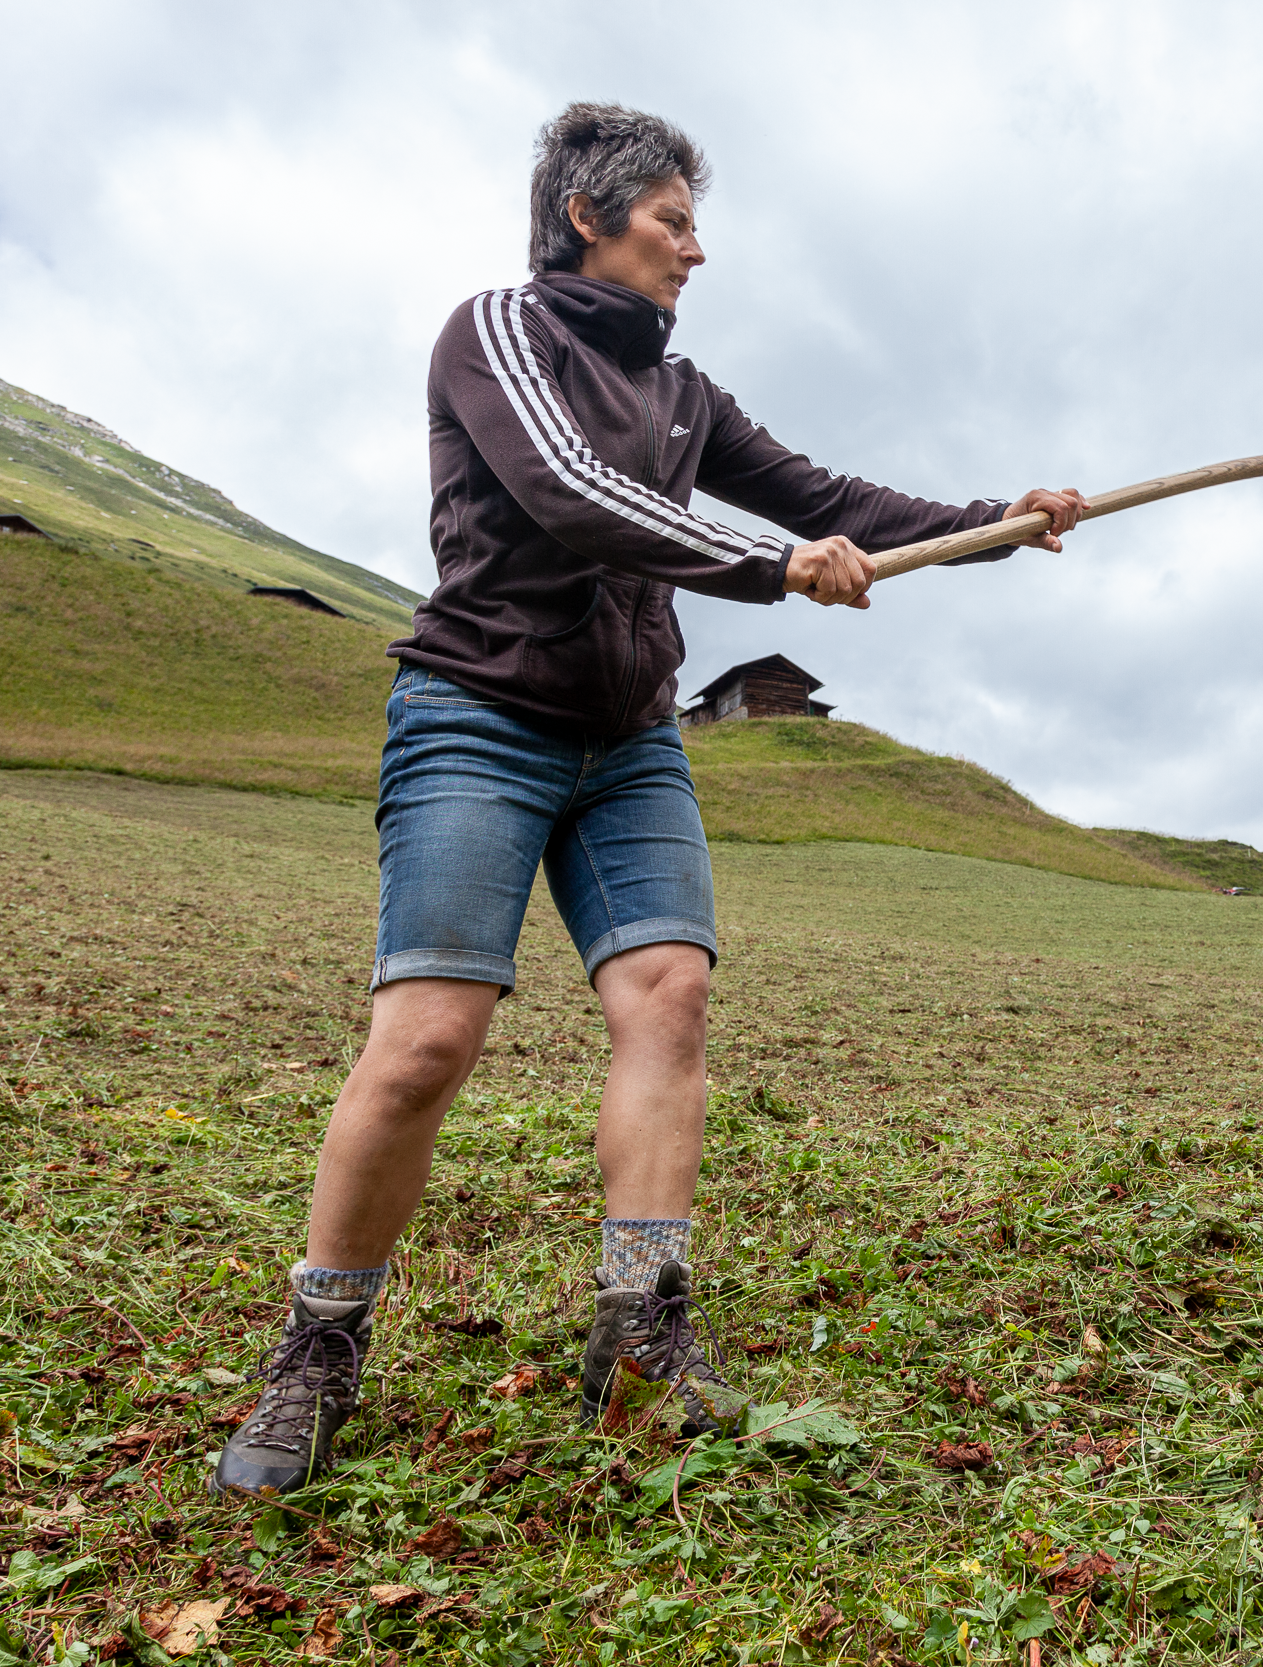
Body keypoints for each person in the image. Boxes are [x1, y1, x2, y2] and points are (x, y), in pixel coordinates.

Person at [213, 102, 1088, 1495]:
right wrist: (777, 567)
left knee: (668, 991)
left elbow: (826, 491)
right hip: (477, 717)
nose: (697, 249)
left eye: (693, 222)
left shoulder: (686, 395)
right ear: (588, 217)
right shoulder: (495, 331)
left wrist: (1001, 525)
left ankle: (639, 1335)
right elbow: (571, 494)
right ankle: (317, 1349)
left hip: (628, 740)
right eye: (674, 221)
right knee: (430, 1038)